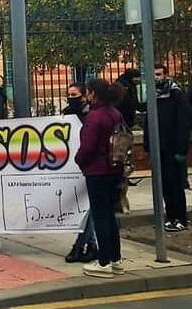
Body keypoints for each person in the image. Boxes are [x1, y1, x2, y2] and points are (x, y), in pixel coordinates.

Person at [75, 79, 126, 278]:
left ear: (93, 94)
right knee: (110, 215)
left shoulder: (95, 116)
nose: (86, 95)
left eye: (88, 92)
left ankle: (104, 262)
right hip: (115, 169)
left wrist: (79, 161)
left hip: (98, 171)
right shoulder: (115, 113)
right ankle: (116, 259)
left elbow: (87, 147)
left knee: (100, 216)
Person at [145, 64, 192, 232]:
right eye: (153, 74)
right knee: (163, 185)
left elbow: (184, 123)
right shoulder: (153, 95)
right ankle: (170, 216)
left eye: (158, 74)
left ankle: (180, 217)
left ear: (166, 75)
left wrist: (181, 149)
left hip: (173, 148)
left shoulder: (176, 94)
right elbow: (148, 121)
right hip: (158, 148)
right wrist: (148, 146)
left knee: (175, 185)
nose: (155, 77)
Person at [62, 83, 97, 263]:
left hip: (89, 165)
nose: (71, 98)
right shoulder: (67, 113)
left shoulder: (91, 115)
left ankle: (79, 245)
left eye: (74, 95)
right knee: (88, 208)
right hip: (74, 165)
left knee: (90, 208)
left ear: (84, 96)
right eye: (69, 94)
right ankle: (91, 246)